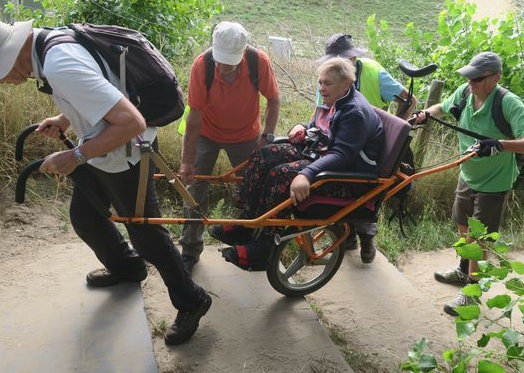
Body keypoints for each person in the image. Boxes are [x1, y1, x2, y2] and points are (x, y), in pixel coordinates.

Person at [0, 18, 212, 346]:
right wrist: (64, 119)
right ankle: (128, 267)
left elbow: (132, 121)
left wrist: (73, 157)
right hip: (101, 148)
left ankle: (192, 299)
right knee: (86, 217)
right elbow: (101, 85)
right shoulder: (50, 44)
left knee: (145, 234)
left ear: (7, 56)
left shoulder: (60, 64)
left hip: (126, 154)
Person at [211, 57, 384, 269]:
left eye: (327, 83)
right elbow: (318, 127)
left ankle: (264, 246)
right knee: (263, 156)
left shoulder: (354, 112)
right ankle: (247, 224)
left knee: (282, 175)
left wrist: (306, 174)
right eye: (320, 82)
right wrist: (300, 127)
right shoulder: (335, 100)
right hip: (319, 155)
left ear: (346, 84)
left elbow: (342, 156)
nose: (321, 88)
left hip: (345, 177)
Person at [414, 52, 524, 316]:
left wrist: (501, 144)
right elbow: (444, 106)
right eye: (469, 76)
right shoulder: (465, 92)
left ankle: (473, 293)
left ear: (495, 78)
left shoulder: (508, 103)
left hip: (495, 182)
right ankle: (464, 270)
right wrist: (426, 113)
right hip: (468, 173)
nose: (471, 81)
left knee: (479, 237)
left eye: (478, 78)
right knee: (462, 224)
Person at [178, 21, 280, 274]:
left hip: (246, 135)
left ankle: (248, 246)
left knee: (251, 190)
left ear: (243, 53)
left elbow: (274, 100)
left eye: (230, 62)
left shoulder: (259, 62)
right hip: (206, 133)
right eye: (221, 60)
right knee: (193, 188)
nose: (224, 67)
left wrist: (266, 137)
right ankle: (190, 250)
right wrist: (187, 161)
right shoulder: (202, 66)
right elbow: (194, 116)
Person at [316, 33, 417, 263]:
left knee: (363, 195)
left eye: (341, 57)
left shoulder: (373, 71)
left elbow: (410, 100)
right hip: (343, 140)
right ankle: (346, 236)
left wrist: (395, 132)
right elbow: (323, 109)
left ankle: (366, 240)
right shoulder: (329, 74)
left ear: (353, 57)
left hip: (370, 145)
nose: (336, 62)